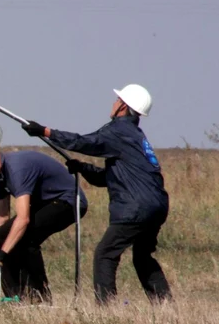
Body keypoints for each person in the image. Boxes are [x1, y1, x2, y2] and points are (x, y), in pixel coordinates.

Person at [21, 83, 172, 305]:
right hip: (157, 206)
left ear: (123, 106)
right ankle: (165, 304)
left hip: (135, 208)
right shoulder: (136, 136)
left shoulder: (118, 131)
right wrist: (82, 168)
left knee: (105, 254)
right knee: (142, 257)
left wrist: (45, 132)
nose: (113, 104)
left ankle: (106, 311)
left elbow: (84, 142)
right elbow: (110, 178)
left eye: (116, 100)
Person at [0, 132, 87, 303]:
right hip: (46, 203)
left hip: (69, 202)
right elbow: (2, 218)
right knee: (1, 234)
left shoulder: (16, 170)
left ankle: (39, 297)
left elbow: (23, 219)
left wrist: (2, 255)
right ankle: (14, 296)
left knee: (26, 238)